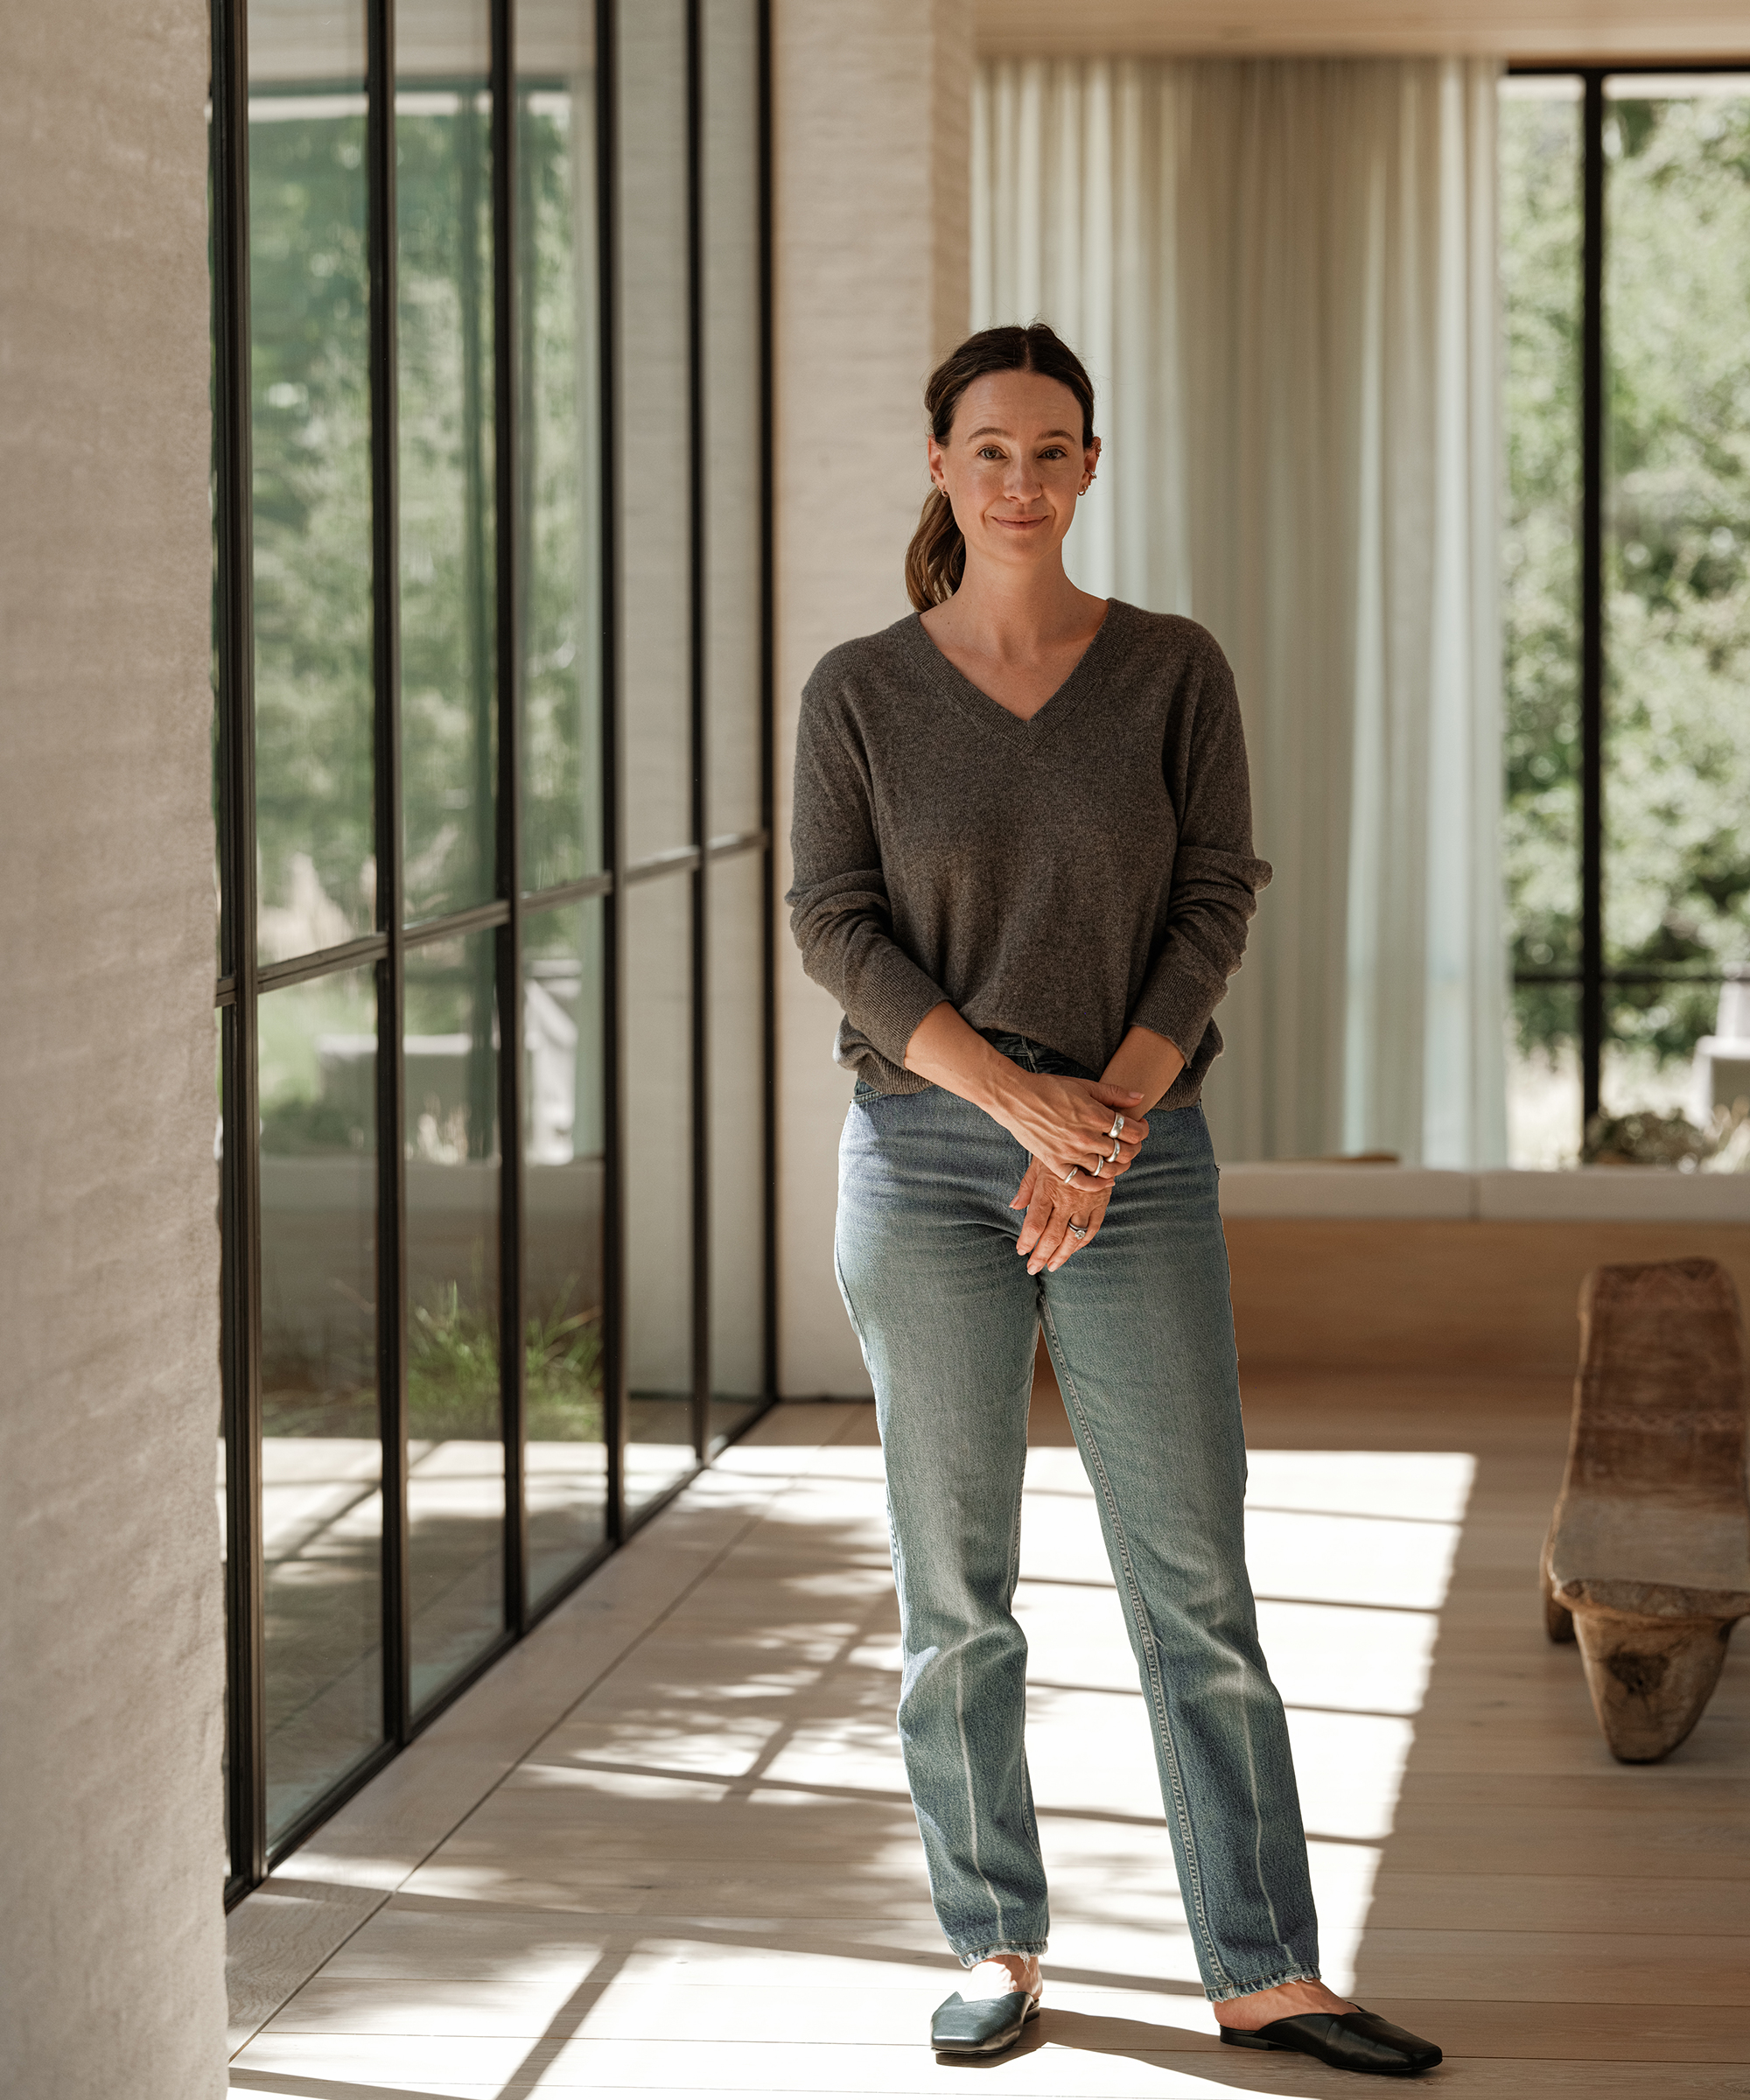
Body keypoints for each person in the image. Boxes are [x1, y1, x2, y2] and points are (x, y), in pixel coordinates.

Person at [786, 324, 1442, 2080]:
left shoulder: (1170, 669)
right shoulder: (856, 690)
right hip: (927, 1164)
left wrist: (1107, 1129)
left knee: (1192, 1577)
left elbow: (1215, 897)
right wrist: (1016, 1108)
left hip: (1137, 1159)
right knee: (957, 1589)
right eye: (987, 448)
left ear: (1090, 468)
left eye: (1049, 449)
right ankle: (992, 1943)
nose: (1018, 477)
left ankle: (1261, 1964)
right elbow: (833, 926)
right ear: (939, 465)